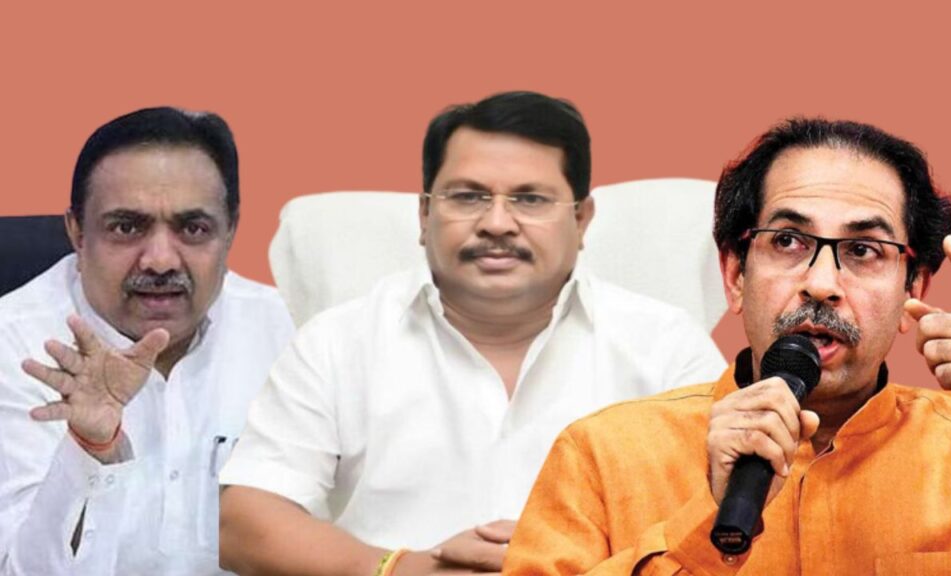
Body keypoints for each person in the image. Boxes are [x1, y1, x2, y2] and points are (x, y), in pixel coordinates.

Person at [218, 91, 726, 576]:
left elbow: (723, 511)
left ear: (581, 219)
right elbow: (243, 522)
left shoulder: (666, 347)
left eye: (530, 199)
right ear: (424, 215)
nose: (497, 223)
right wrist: (399, 568)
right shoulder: (336, 343)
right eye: (468, 197)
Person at [505, 118, 951, 575]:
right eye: (788, 241)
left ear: (914, 288)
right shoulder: (600, 454)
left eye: (863, 249)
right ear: (735, 275)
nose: (821, 284)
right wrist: (707, 523)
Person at [0, 107, 294, 575]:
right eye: (127, 227)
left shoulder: (288, 331)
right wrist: (89, 451)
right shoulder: (14, 346)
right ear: (77, 232)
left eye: (192, 229)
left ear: (231, 231)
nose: (160, 260)